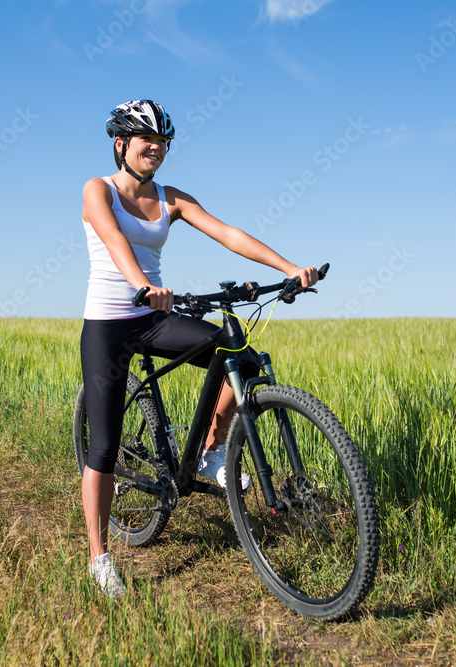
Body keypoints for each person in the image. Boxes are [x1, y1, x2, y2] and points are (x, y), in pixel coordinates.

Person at [80, 100, 318, 597]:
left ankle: (211, 451)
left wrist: (288, 268)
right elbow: (114, 241)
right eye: (148, 141)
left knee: (241, 356)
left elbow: (227, 233)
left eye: (163, 142)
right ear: (121, 144)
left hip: (154, 318)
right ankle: (100, 559)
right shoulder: (97, 190)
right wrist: (143, 283)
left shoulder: (171, 197)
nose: (157, 149)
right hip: (109, 324)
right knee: (102, 449)